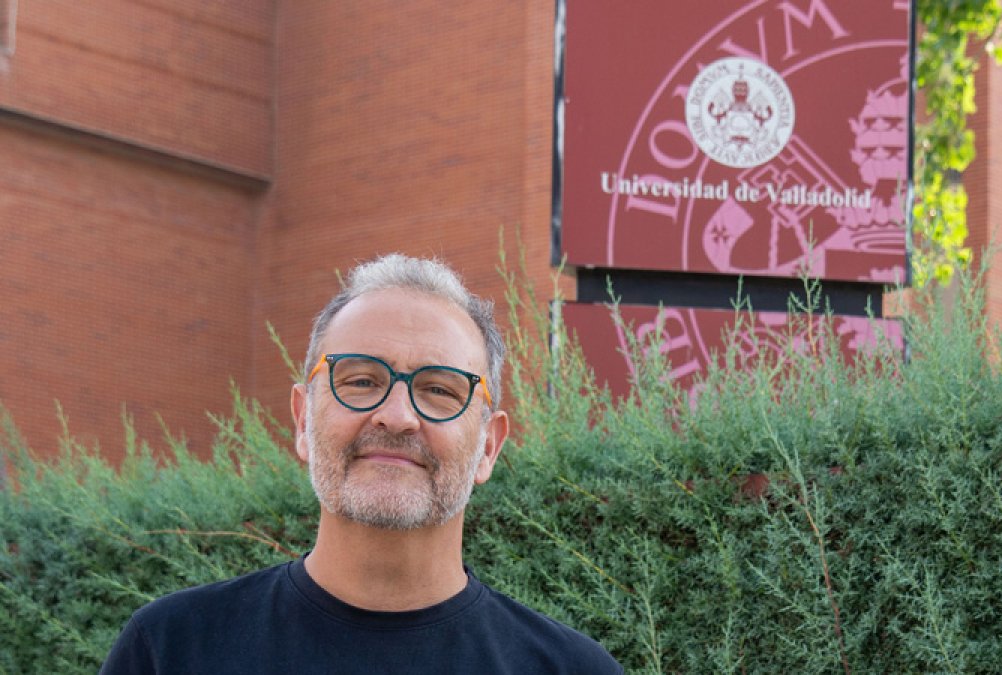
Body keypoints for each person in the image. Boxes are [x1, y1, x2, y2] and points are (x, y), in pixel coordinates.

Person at [101, 254, 623, 674]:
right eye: (361, 381)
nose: (396, 416)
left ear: (489, 445)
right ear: (303, 421)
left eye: (439, 390)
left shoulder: (572, 670)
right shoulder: (171, 649)